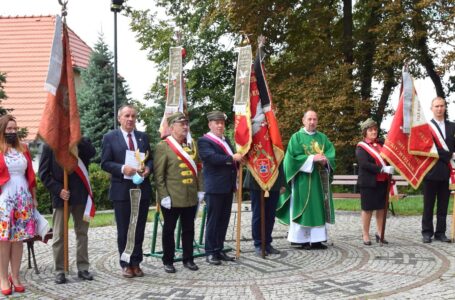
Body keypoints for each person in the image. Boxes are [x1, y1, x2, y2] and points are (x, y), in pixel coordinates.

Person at [101, 105, 153, 277]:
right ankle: (125, 263)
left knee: (138, 228)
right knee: (124, 229)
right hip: (122, 191)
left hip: (141, 189)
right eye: (127, 116)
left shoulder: (142, 137)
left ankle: (136, 262)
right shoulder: (110, 137)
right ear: (119, 118)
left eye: (133, 116)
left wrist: (148, 169)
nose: (130, 119)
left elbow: (150, 159)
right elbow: (105, 163)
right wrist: (123, 168)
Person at [39, 137, 96, 284]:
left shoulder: (81, 141)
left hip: (81, 196)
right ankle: (60, 270)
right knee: (59, 235)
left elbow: (91, 153)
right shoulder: (49, 145)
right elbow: (43, 173)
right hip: (62, 197)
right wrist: (58, 190)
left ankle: (83, 268)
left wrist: (78, 138)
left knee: (82, 234)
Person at [276, 110, 335, 250]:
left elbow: (331, 154)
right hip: (302, 179)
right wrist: (311, 159)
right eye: (309, 119)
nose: (312, 122)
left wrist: (326, 160)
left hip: (319, 181)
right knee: (303, 208)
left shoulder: (323, 138)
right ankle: (300, 239)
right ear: (303, 121)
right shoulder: (296, 137)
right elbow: (291, 159)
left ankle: (317, 240)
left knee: (318, 208)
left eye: (315, 119)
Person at [154, 112, 204, 273]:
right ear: (171, 127)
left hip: (190, 196)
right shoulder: (164, 146)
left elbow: (198, 169)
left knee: (189, 229)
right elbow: (159, 175)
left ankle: (188, 259)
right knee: (169, 230)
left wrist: (200, 190)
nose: (185, 126)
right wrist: (164, 196)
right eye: (181, 124)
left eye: (186, 124)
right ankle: (168, 260)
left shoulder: (191, 145)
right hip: (172, 197)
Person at [198, 111, 242, 265]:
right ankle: (210, 251)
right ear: (210, 124)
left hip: (227, 186)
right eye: (216, 123)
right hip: (215, 187)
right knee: (213, 220)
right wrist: (232, 158)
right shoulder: (204, 141)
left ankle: (219, 248)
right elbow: (211, 158)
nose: (220, 125)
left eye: (222, 123)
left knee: (224, 220)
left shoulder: (226, 140)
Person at [0, 115, 36, 295]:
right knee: (4, 240)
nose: (13, 132)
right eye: (9, 129)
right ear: (3, 131)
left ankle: (15, 276)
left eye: (15, 129)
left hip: (23, 200)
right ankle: (3, 278)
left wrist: (34, 198)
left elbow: (31, 176)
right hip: (4, 201)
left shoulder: (24, 149)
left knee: (18, 240)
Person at [355, 118, 394, 246]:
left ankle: (379, 233)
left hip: (383, 182)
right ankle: (365, 234)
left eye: (375, 129)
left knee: (381, 208)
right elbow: (364, 164)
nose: (373, 132)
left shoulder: (382, 144)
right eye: (370, 130)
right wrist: (382, 168)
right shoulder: (361, 147)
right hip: (368, 183)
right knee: (367, 209)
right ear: (365, 132)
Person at [422, 97, 455, 243]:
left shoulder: (452, 126)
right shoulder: (427, 127)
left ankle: (440, 233)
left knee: (443, 205)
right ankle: (427, 232)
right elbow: (428, 149)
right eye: (436, 106)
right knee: (428, 205)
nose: (439, 109)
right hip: (430, 171)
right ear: (432, 108)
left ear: (445, 107)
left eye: (442, 106)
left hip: (447, 173)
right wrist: (448, 155)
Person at [244, 164, 285, 256]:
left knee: (270, 215)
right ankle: (258, 244)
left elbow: (279, 159)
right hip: (256, 180)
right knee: (258, 214)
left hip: (274, 180)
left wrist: (282, 182)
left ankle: (267, 243)